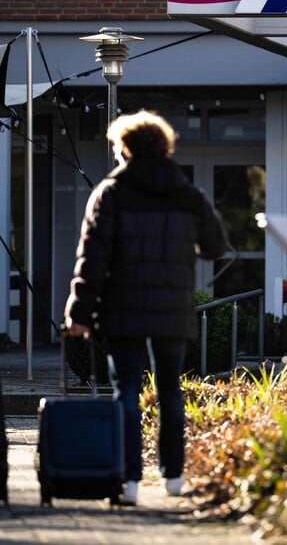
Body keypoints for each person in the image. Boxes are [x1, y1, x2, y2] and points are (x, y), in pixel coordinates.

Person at [64, 110, 230, 506]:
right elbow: (215, 246)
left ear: (124, 148)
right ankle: (173, 476)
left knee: (125, 392)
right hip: (172, 309)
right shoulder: (188, 193)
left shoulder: (110, 193)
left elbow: (92, 259)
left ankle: (129, 481)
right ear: (165, 147)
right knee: (170, 390)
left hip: (122, 310)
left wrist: (79, 314)